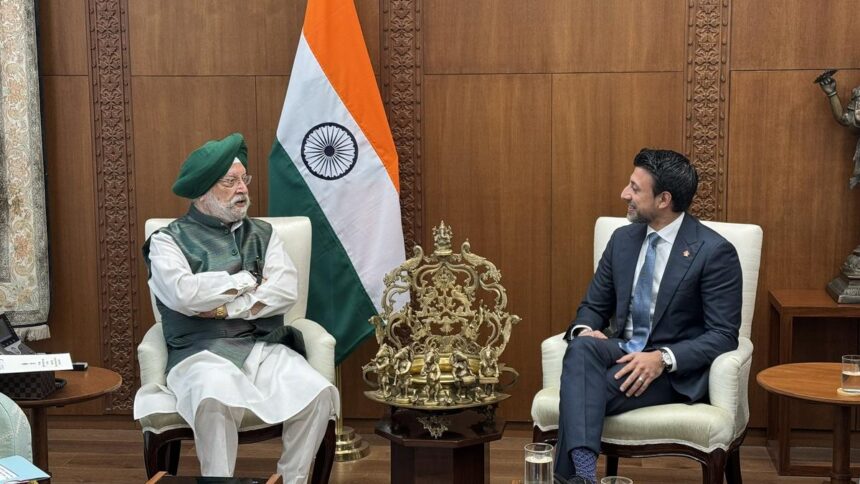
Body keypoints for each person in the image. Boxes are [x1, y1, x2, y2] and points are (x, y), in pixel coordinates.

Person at [133, 133, 338, 482]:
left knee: (319, 393)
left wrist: (224, 308)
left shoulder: (265, 234)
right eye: (230, 181)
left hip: (262, 346)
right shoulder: (167, 240)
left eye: (244, 179)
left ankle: (291, 479)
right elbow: (184, 295)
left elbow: (285, 290)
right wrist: (247, 280)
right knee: (213, 395)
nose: (242, 189)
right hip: (200, 352)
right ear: (203, 191)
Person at [554, 149, 742, 484]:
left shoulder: (714, 251)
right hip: (623, 348)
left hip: (671, 371)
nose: (624, 194)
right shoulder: (622, 240)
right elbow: (593, 307)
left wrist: (662, 358)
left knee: (581, 391)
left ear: (663, 199)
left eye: (635, 188)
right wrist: (585, 330)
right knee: (581, 346)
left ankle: (575, 477)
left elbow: (723, 334)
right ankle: (584, 477)